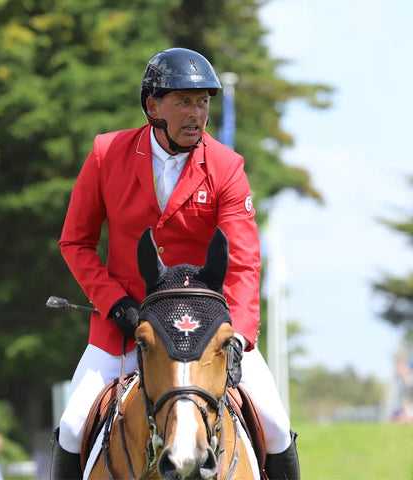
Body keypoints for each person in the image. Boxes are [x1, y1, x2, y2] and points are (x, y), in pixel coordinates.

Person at [52, 47, 300, 479]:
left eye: (203, 101)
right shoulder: (106, 155)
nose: (197, 113)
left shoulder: (226, 167)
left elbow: (243, 262)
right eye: (184, 101)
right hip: (127, 328)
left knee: (276, 426)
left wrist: (237, 337)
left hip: (206, 331)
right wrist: (116, 305)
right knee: (73, 427)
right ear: (153, 106)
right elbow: (76, 242)